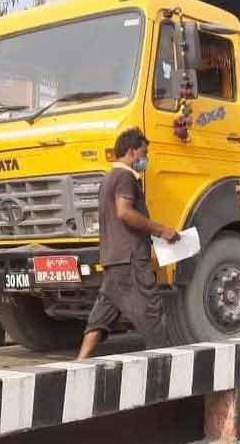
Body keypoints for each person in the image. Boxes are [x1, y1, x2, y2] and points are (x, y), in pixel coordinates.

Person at [77, 127, 180, 359]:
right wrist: (161, 229)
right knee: (152, 313)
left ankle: (79, 363)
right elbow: (124, 212)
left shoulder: (108, 179)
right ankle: (161, 368)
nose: (145, 160)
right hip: (130, 259)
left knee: (101, 316)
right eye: (143, 154)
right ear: (132, 152)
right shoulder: (125, 177)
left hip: (113, 259)